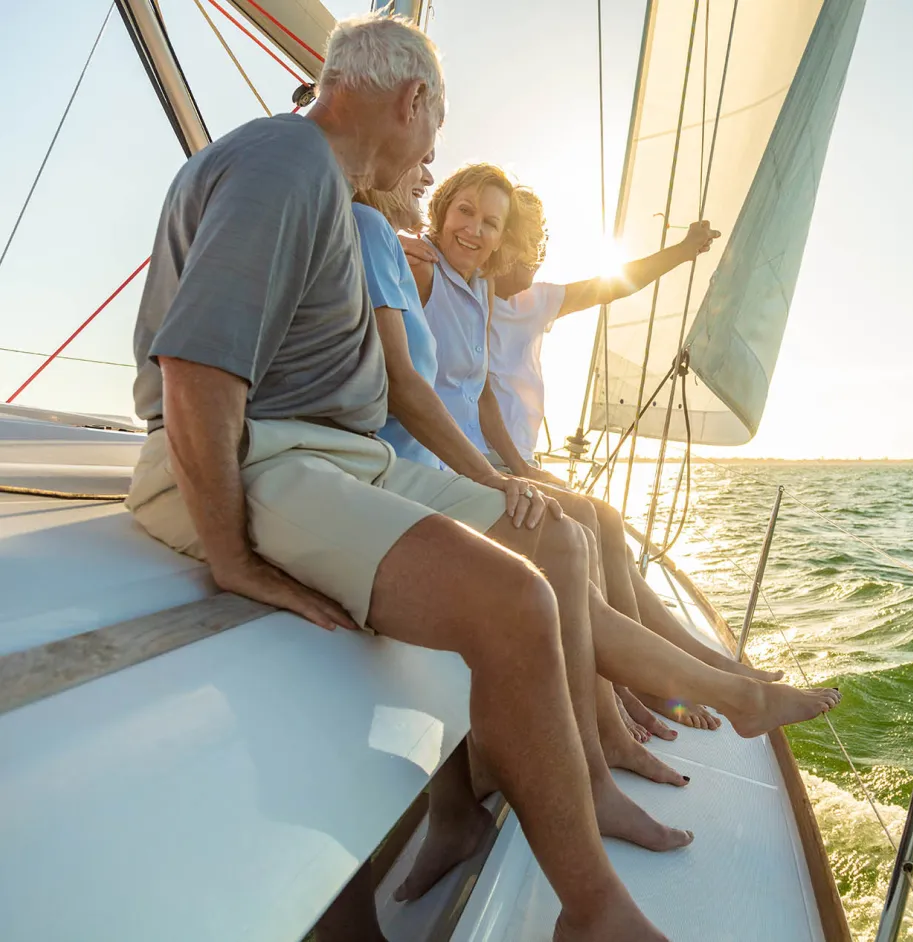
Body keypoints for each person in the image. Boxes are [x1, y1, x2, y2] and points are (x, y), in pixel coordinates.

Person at [124, 15, 675, 941]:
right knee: (515, 599)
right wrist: (232, 555)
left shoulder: (327, 189)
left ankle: (569, 779)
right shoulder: (284, 163)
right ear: (412, 102)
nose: (430, 152)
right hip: (260, 455)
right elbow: (198, 371)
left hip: (336, 456)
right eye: (437, 128)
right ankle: (594, 907)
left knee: (557, 538)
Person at [351, 160, 842, 903]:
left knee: (580, 531)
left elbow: (482, 396)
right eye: (464, 213)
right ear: (436, 207)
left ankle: (666, 700)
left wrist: (516, 470)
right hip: (423, 473)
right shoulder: (409, 258)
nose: (479, 234)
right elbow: (407, 371)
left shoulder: (478, 290)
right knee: (568, 542)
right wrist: (498, 478)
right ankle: (653, 720)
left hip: (465, 470)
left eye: (495, 224)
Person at [407, 178, 785, 733]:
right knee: (590, 525)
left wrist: (681, 253)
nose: (533, 265)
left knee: (607, 529)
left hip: (508, 458)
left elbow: (615, 285)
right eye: (525, 250)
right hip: (478, 460)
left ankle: (691, 670)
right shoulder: (464, 286)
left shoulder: (532, 299)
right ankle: (650, 684)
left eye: (537, 251)